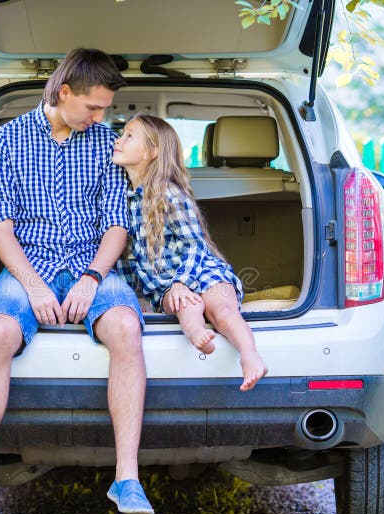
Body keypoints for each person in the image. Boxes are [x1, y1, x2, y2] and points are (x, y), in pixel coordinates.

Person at [0, 49, 154, 514]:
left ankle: (127, 480)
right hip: (27, 267)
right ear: (64, 93)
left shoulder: (105, 144)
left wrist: (91, 277)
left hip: (89, 264)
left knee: (125, 326)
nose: (102, 118)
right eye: (93, 107)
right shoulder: (4, 142)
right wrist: (35, 286)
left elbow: (116, 225)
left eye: (105, 109)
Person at [112, 113, 268, 392]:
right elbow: (125, 259)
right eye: (122, 134)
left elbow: (195, 244)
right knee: (186, 308)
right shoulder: (120, 200)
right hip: (165, 289)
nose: (119, 140)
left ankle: (249, 354)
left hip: (201, 270)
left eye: (128, 136)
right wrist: (138, 296)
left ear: (151, 152)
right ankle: (198, 335)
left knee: (223, 309)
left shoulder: (169, 195)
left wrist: (182, 282)